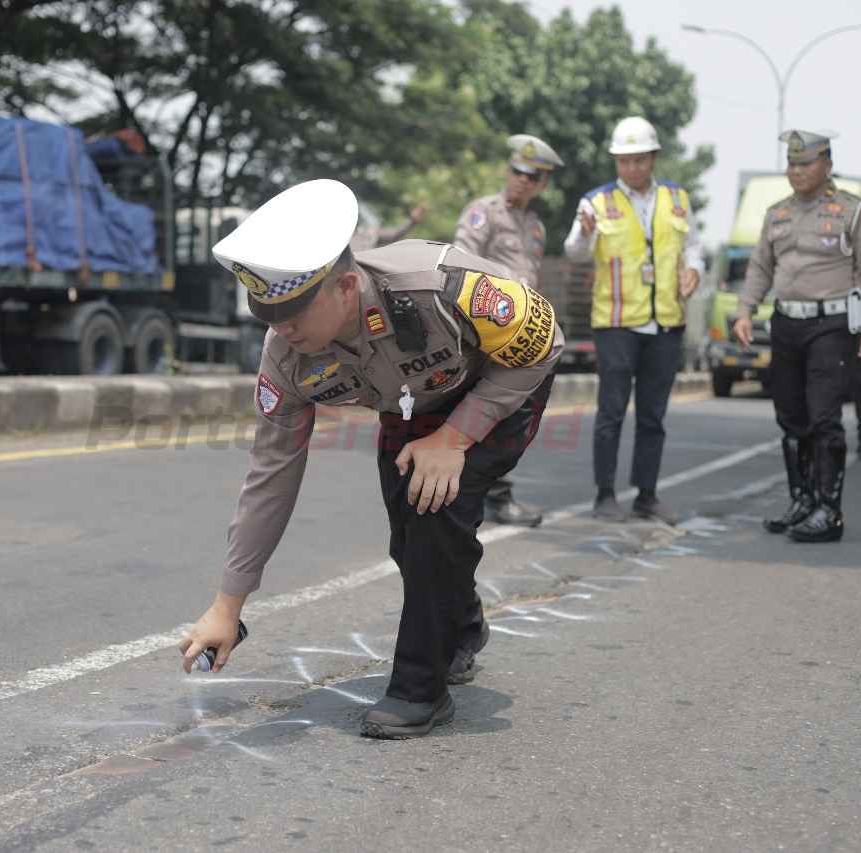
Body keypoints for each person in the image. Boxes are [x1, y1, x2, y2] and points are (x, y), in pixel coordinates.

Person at [179, 179, 564, 739]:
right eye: (268, 314)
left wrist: (455, 438)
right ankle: (461, 630)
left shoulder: (440, 289)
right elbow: (270, 475)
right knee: (407, 540)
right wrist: (227, 604)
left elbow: (543, 341)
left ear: (347, 286)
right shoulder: (285, 357)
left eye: (293, 313)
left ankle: (418, 691)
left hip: (500, 387)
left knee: (434, 516)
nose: (280, 329)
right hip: (413, 407)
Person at [733, 129, 861, 543]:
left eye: (805, 163)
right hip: (786, 324)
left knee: (824, 418)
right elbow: (760, 268)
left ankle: (828, 510)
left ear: (827, 165)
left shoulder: (852, 211)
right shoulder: (776, 213)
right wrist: (745, 310)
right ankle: (801, 499)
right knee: (791, 418)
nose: (796, 171)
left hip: (831, 327)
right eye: (791, 163)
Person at [563, 116, 703, 525]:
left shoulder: (677, 198)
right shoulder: (596, 202)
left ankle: (647, 494)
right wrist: (586, 233)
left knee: (653, 415)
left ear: (654, 158)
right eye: (624, 162)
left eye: (640, 161)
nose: (632, 169)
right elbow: (575, 251)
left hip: (666, 322)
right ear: (615, 163)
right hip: (617, 323)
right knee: (610, 411)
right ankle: (605, 495)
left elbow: (692, 246)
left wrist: (694, 267)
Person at [453, 133, 564, 527]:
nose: (522, 180)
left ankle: (489, 493)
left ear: (542, 184)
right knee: (485, 411)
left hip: (519, 335)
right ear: (508, 170)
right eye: (518, 171)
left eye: (532, 177)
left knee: (510, 417)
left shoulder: (535, 227)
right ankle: (486, 496)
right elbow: (459, 262)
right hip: (484, 329)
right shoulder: (483, 212)